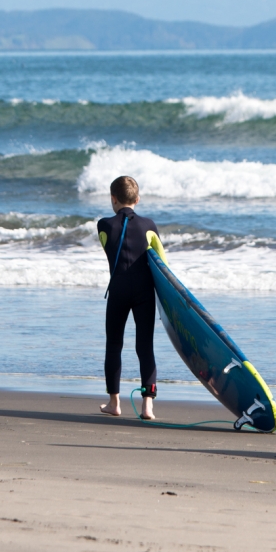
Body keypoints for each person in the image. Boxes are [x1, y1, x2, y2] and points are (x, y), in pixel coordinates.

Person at [96, 176, 160, 420]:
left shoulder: (104, 225)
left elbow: (109, 248)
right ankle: (147, 406)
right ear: (138, 199)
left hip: (118, 290)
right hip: (144, 292)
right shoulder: (149, 226)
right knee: (145, 346)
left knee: (114, 344)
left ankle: (114, 403)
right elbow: (161, 262)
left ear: (113, 199)